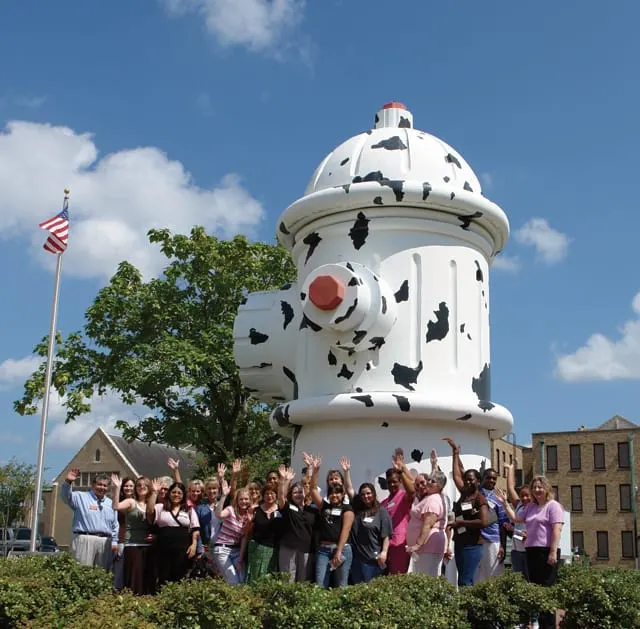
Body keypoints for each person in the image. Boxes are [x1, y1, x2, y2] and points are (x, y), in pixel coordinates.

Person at [496, 477, 564, 629]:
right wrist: (505, 503)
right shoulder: (531, 507)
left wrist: (552, 552)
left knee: (547, 591)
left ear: (547, 488)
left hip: (546, 552)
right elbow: (516, 518)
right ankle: (539, 624)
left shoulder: (553, 506)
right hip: (531, 551)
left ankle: (549, 626)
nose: (537, 490)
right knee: (536, 591)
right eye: (535, 488)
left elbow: (556, 530)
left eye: (540, 487)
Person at [308, 455, 354, 588]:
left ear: (342, 494)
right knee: (320, 584)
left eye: (338, 493)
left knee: (341, 585)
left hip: (343, 550)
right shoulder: (324, 506)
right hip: (323, 550)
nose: (335, 495)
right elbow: (312, 489)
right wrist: (316, 470)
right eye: (332, 493)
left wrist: (338, 551)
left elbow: (346, 531)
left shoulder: (348, 509)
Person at [59, 468, 119, 570]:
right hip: (84, 539)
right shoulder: (80, 497)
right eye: (99, 484)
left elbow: (115, 524)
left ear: (108, 488)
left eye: (105, 485)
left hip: (105, 542)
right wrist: (68, 482)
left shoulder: (110, 503)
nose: (102, 487)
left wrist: (114, 542)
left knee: (102, 574)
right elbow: (65, 497)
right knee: (81, 572)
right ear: (93, 485)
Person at [148, 480, 200, 586]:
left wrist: (194, 545)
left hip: (183, 549)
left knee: (181, 577)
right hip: (163, 548)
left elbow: (195, 530)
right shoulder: (160, 507)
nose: (176, 495)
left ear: (183, 495)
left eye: (179, 493)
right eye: (173, 492)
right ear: (169, 493)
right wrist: (154, 492)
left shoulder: (188, 510)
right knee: (164, 577)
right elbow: (149, 511)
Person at [111, 474, 155, 595]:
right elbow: (116, 506)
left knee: (145, 579)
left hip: (148, 546)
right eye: (139, 485)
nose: (141, 487)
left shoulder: (151, 503)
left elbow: (153, 519)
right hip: (133, 544)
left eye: (144, 485)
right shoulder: (131, 501)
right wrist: (117, 488)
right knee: (134, 579)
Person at [277, 466, 316, 582]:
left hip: (306, 550)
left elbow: (309, 484)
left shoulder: (311, 509)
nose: (298, 494)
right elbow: (280, 496)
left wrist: (310, 468)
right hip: (289, 548)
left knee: (303, 581)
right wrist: (285, 480)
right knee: (287, 580)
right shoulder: (288, 507)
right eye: (295, 492)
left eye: (300, 492)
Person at [405, 471, 447, 577]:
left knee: (427, 577)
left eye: (433, 481)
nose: (428, 482)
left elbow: (427, 524)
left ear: (439, 486)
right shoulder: (430, 497)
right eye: (429, 480)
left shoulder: (433, 500)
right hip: (426, 548)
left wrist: (418, 545)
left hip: (428, 547)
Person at [380, 448, 415, 575]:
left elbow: (412, 492)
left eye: (395, 482)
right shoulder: (383, 503)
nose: (392, 485)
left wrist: (401, 471)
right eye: (389, 482)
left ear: (400, 482)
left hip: (400, 544)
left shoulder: (403, 496)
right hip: (386, 546)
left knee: (398, 578)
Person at [211, 480, 252, 585]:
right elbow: (218, 514)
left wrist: (241, 559)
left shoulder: (249, 516)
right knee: (233, 581)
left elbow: (244, 538)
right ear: (237, 501)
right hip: (222, 549)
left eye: (246, 499)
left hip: (236, 550)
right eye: (241, 499)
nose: (244, 501)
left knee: (242, 579)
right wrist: (224, 496)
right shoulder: (230, 510)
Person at [350, 483, 392, 583]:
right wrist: (346, 471)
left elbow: (386, 535)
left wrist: (384, 552)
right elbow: (349, 489)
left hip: (373, 560)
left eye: (368, 493)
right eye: (363, 494)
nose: (366, 496)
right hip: (357, 560)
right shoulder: (357, 510)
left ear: (373, 494)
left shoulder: (382, 512)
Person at [243, 483, 280, 584]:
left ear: (276, 495)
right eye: (267, 493)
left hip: (274, 550)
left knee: (269, 577)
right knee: (255, 576)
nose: (269, 496)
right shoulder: (255, 510)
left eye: (272, 493)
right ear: (263, 496)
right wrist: (250, 521)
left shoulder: (281, 510)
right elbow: (245, 532)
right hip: (256, 548)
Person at [503, 464, 531, 579]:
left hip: (528, 551)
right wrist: (510, 469)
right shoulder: (519, 505)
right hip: (516, 551)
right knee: (518, 579)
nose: (524, 498)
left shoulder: (535, 509)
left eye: (527, 496)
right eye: (522, 496)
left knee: (530, 579)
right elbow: (510, 488)